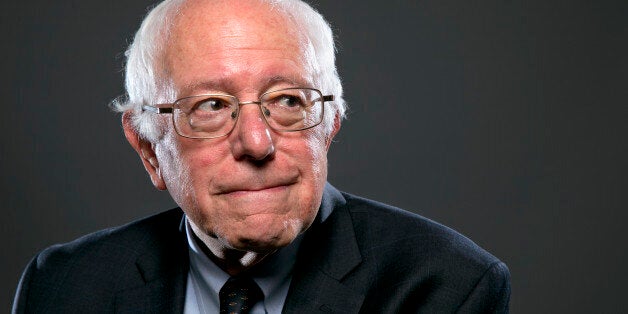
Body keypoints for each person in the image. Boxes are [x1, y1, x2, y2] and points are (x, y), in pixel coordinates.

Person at [12, 0, 511, 313]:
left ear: (330, 125)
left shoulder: (445, 286)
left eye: (288, 101)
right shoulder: (62, 287)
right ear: (148, 149)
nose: (256, 142)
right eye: (210, 106)